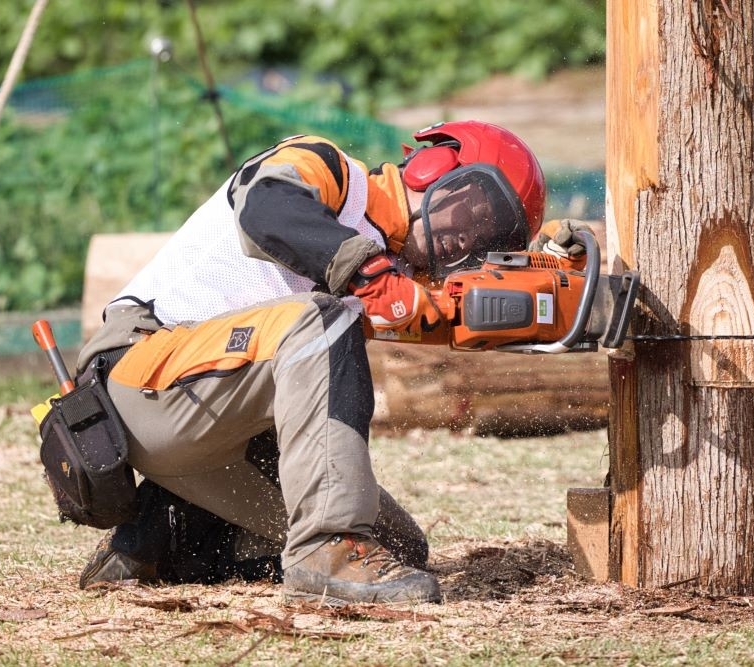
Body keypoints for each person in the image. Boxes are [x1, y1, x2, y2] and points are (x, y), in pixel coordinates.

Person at [72, 120, 553, 605]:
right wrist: (368, 275)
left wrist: (555, 271)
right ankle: (323, 548)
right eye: (481, 215)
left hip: (205, 433)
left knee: (400, 547)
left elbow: (474, 314)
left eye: (494, 238)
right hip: (139, 379)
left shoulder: (402, 271)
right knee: (323, 321)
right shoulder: (328, 169)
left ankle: (156, 539)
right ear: (436, 166)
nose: (471, 242)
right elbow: (265, 210)